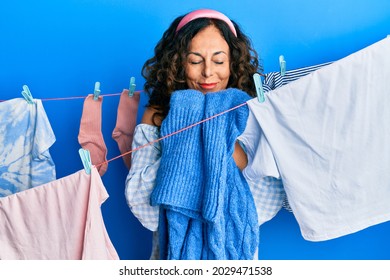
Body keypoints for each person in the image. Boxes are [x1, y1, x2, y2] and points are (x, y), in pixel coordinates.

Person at [125, 9, 285, 260]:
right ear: (178, 63)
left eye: (219, 61)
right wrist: (185, 138)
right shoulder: (158, 114)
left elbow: (268, 203)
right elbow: (141, 206)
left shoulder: (252, 112)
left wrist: (216, 138)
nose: (208, 72)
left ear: (233, 62)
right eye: (195, 60)